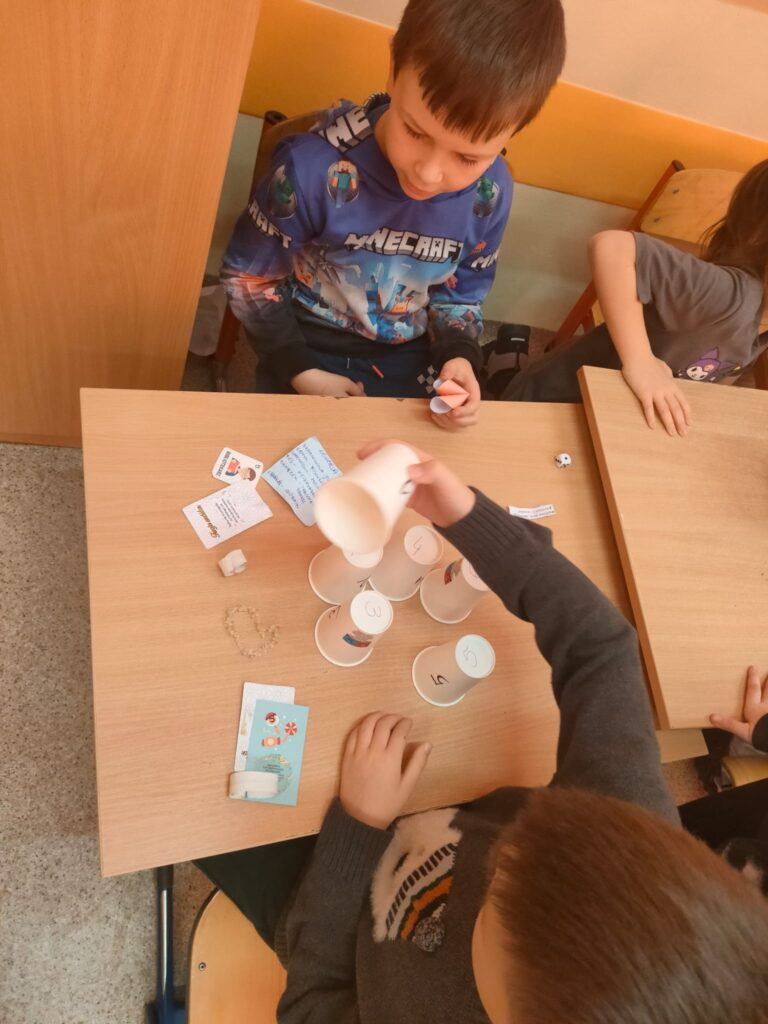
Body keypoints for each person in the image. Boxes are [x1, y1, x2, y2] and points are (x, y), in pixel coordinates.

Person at [197, 442, 768, 1023]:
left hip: (324, 918)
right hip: (425, 811)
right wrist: (471, 519)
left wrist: (358, 828)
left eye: (495, 886)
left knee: (195, 791)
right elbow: (602, 647)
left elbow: (311, 1003)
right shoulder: (630, 842)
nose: (502, 848)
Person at [220, 0, 566, 429]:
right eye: (415, 131)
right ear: (393, 70)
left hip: (408, 349)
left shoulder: (490, 192)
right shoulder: (312, 169)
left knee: (426, 458)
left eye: (468, 157)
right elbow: (249, 277)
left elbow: (462, 295)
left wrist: (459, 356)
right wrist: (299, 369)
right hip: (304, 338)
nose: (429, 173)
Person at [499, 159, 768, 436]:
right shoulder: (729, 295)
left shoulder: (761, 326)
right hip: (552, 405)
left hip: (615, 422)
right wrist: (640, 360)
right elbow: (611, 246)